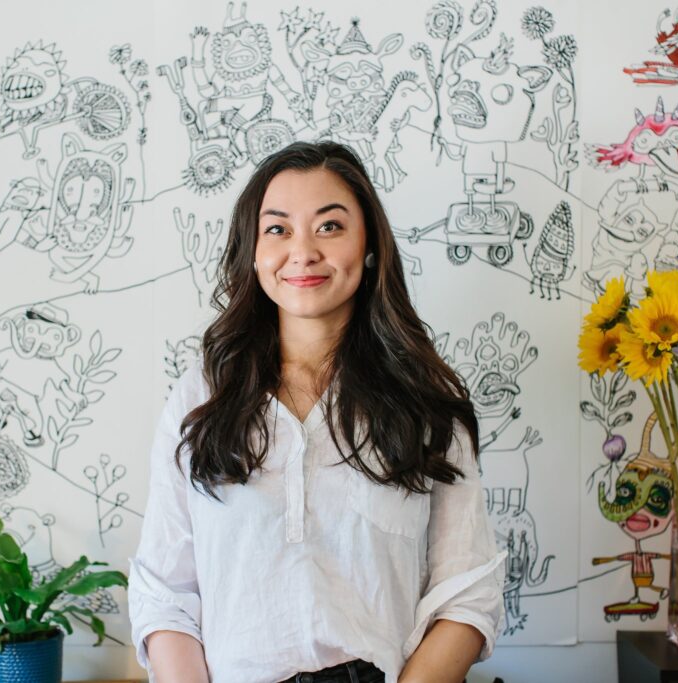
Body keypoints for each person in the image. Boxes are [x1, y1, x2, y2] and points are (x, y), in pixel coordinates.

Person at [128, 140, 505, 683]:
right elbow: (166, 594)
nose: (302, 252)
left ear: (370, 245)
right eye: (277, 229)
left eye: (329, 227)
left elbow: (467, 594)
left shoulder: (424, 400)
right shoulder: (201, 398)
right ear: (252, 251)